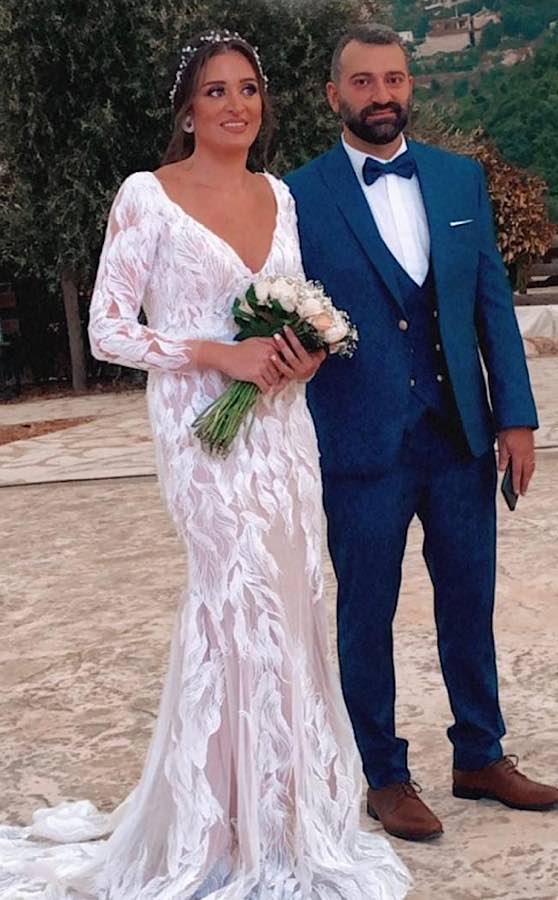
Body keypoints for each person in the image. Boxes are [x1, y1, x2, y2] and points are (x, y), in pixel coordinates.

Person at [0, 30, 411, 899]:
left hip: (284, 432)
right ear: (188, 109)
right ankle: (213, 828)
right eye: (216, 91)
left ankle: (283, 820)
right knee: (235, 601)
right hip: (203, 436)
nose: (236, 105)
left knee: (293, 601)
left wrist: (302, 355)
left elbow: (294, 316)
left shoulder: (280, 196)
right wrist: (217, 354)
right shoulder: (146, 196)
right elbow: (109, 330)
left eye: (249, 89)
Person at [285, 23, 558, 844]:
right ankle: (382, 774)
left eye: (394, 79)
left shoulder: (458, 179)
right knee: (365, 614)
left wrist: (515, 416)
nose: (382, 96)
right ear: (334, 95)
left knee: (470, 602)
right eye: (363, 82)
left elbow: (491, 306)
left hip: (459, 439)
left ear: (411, 85)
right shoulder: (296, 196)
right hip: (359, 444)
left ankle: (480, 754)